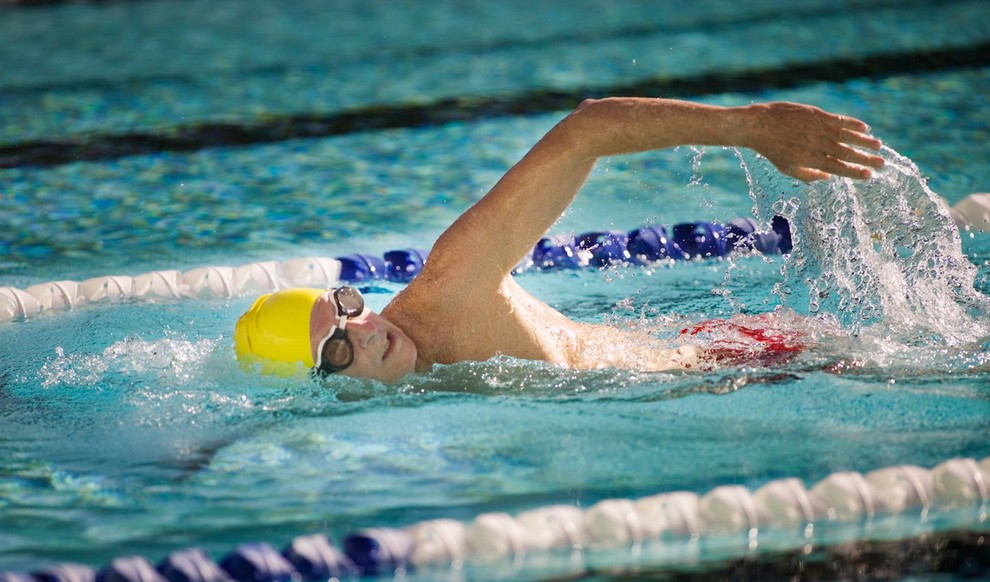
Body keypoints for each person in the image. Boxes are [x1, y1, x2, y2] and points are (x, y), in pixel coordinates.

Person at [234, 97, 884, 383]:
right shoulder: (395, 392)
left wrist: (754, 127)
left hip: (751, 362)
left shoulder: (451, 284)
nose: (368, 328)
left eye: (349, 306)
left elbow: (588, 127)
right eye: (341, 346)